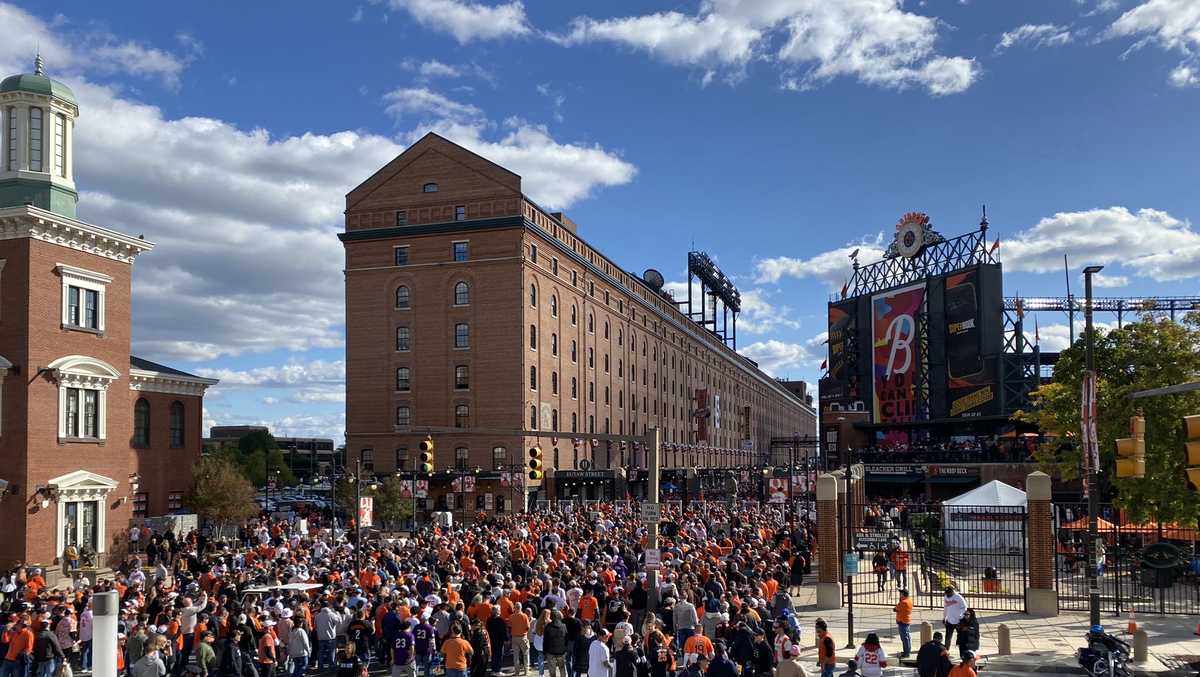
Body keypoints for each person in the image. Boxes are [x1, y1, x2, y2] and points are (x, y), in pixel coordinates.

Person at [542, 612, 568, 677]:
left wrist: (544, 652)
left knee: (552, 670)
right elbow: (566, 638)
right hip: (561, 651)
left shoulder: (548, 627)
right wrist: (565, 649)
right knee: (562, 669)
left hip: (550, 652)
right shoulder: (564, 626)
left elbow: (545, 640)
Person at [893, 590, 913, 658]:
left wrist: (900, 601)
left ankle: (906, 653)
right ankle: (907, 651)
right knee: (907, 637)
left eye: (901, 594)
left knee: (904, 638)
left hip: (902, 621)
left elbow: (895, 609)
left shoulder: (903, 602)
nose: (900, 595)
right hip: (906, 621)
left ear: (903, 595)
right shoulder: (909, 600)